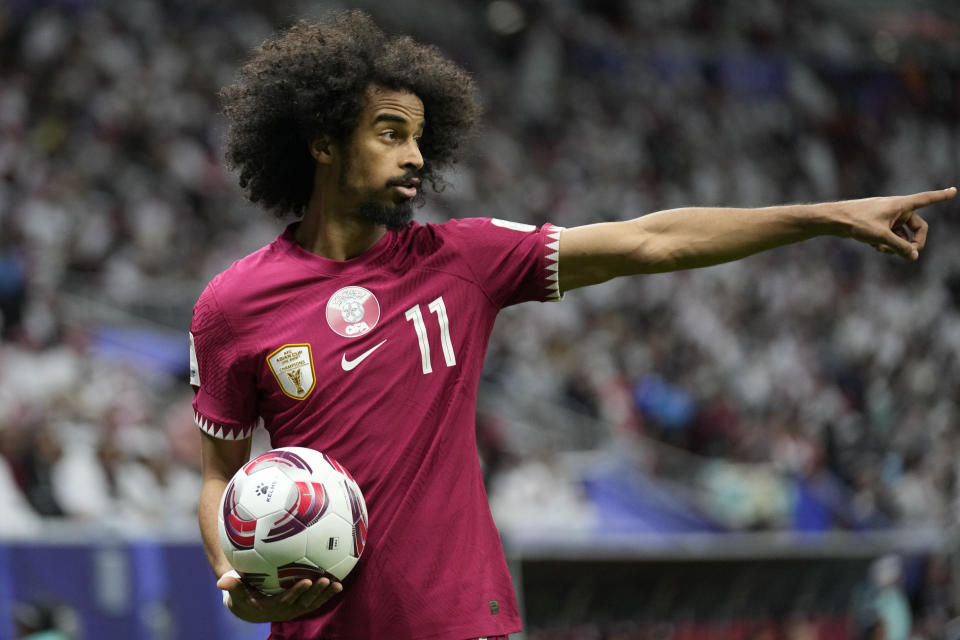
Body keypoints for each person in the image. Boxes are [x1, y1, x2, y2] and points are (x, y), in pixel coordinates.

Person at [191, 10, 955, 640]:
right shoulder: (232, 306)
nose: (417, 156)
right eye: (391, 132)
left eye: (423, 137)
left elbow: (650, 240)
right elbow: (220, 477)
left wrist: (824, 216)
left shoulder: (461, 260)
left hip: (466, 625)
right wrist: (238, 583)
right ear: (323, 141)